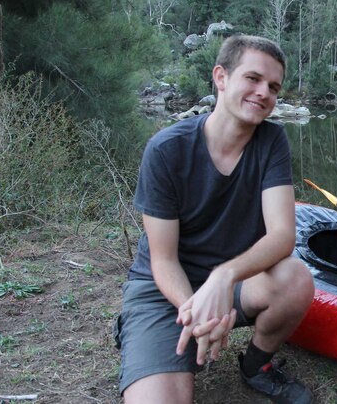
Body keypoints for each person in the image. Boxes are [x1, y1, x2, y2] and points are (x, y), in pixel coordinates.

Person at [113, 35, 315, 404]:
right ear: (220, 77)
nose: (263, 93)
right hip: (164, 292)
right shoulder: (166, 150)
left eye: (273, 86)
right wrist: (197, 313)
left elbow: (283, 235)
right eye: (252, 79)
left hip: (232, 285)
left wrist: (224, 276)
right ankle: (151, 339)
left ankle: (257, 366)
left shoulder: (271, 141)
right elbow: (163, 260)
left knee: (294, 279)